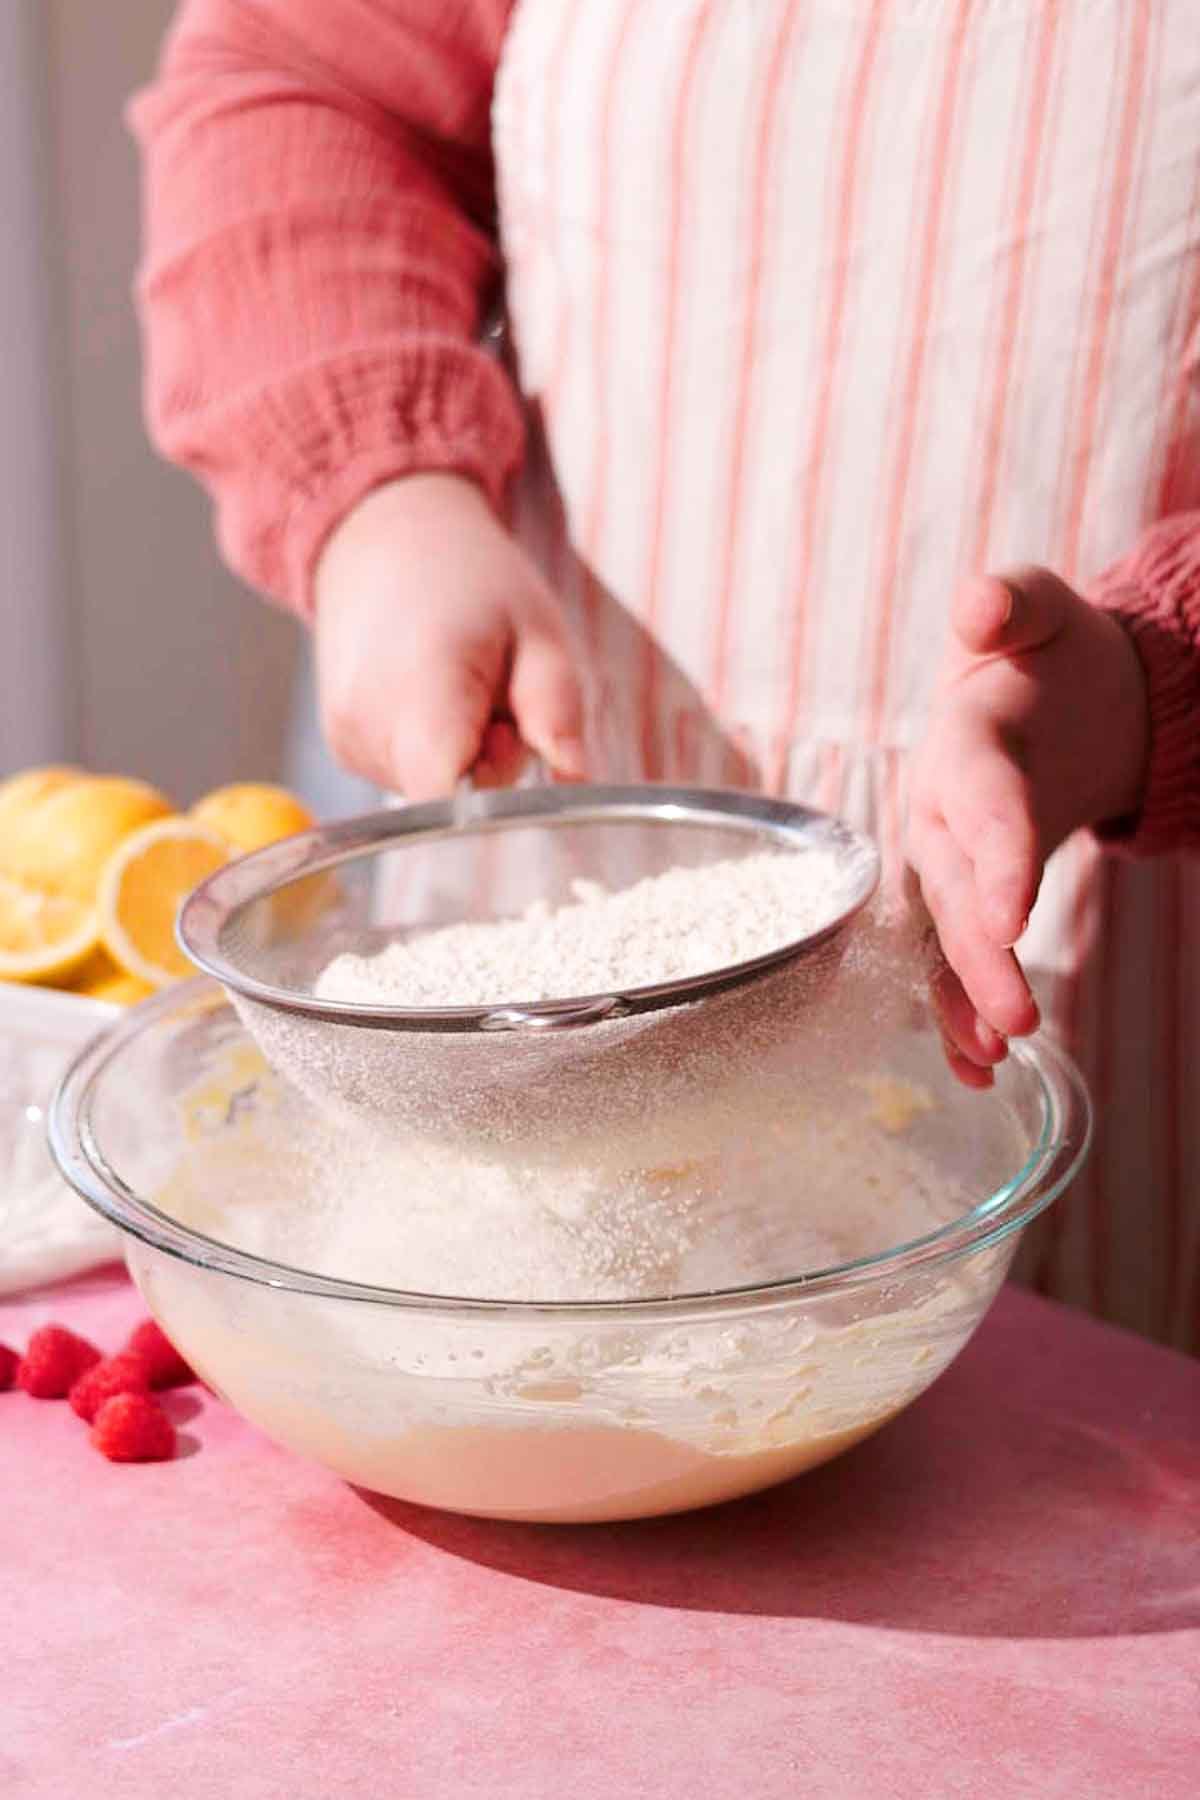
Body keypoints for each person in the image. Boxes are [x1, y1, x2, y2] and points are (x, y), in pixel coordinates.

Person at [131, 0, 1199, 1349]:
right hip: (554, 846)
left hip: (1131, 931)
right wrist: (381, 499)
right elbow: (303, 80)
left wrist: (1150, 687)